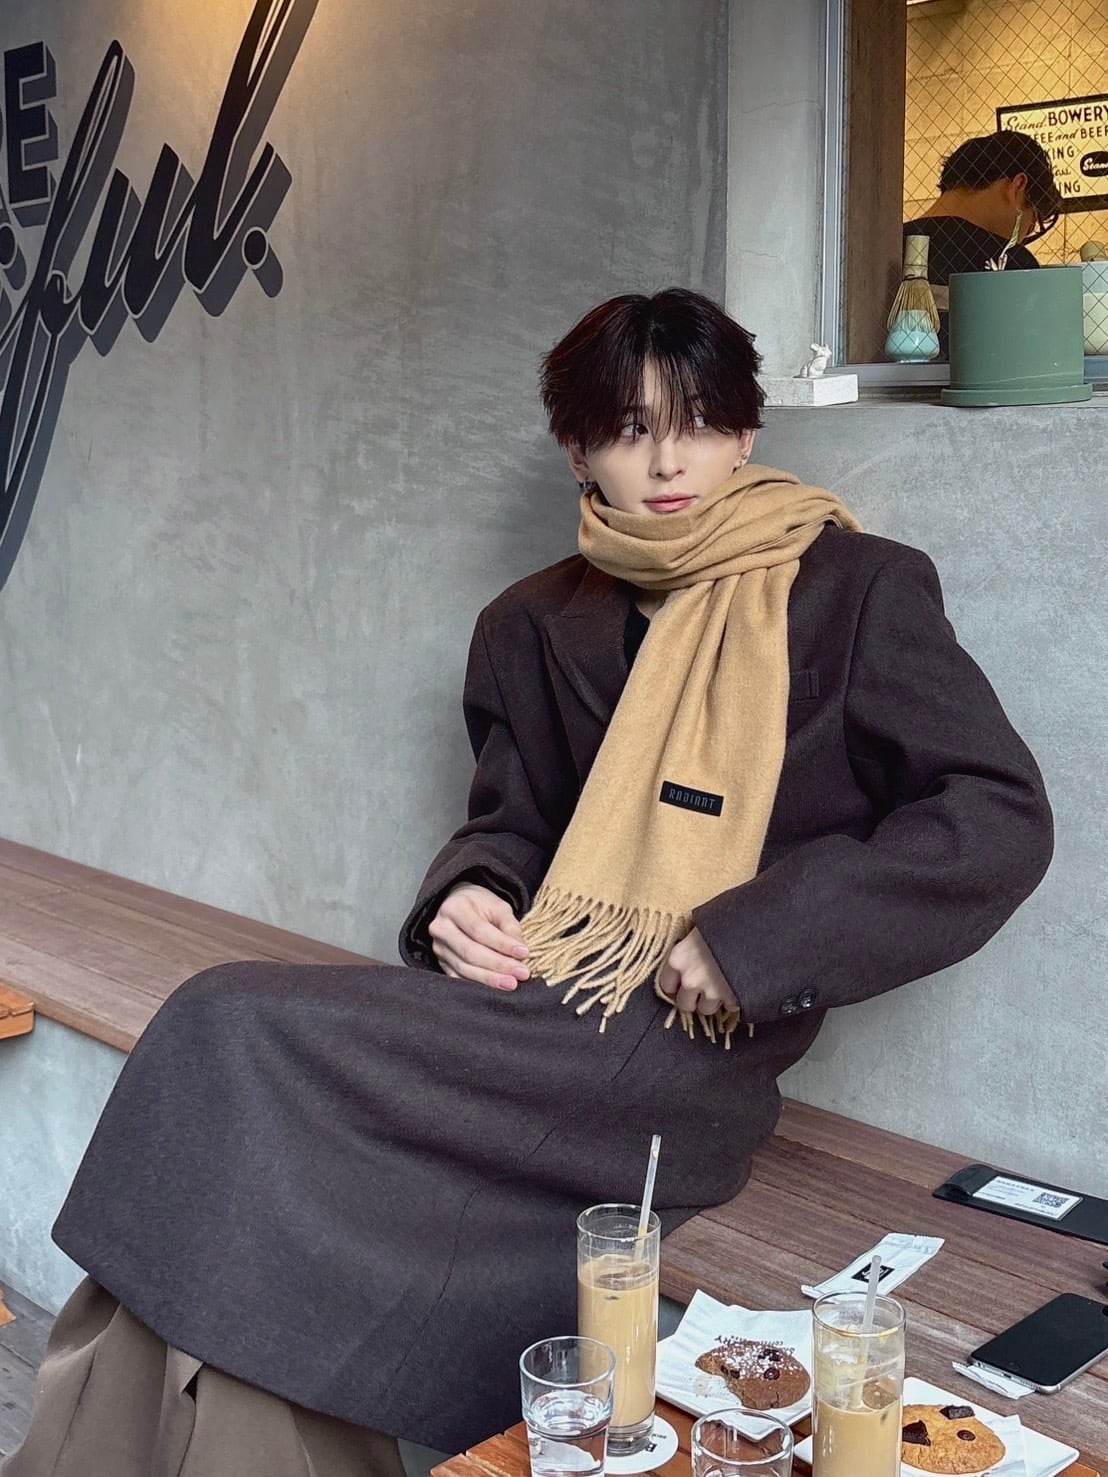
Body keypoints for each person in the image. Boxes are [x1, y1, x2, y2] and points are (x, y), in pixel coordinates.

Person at [4, 288, 1053, 1477]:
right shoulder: (531, 622)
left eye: (699, 423)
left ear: (747, 434)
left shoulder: (854, 590)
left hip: (687, 1046)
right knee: (232, 1139)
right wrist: (466, 895)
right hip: (532, 997)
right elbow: (511, 825)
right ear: (577, 449)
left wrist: (757, 940)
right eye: (629, 429)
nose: (667, 461)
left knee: (225, 1024)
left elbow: (995, 817)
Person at [903, 130, 1062, 357]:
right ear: (1018, 187)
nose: (1025, 235)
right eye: (1032, 221)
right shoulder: (1012, 265)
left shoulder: (884, 246)